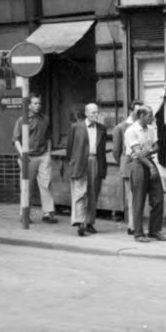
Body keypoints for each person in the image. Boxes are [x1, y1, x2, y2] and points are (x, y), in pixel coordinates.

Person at [13, 93, 56, 228]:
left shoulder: (45, 119)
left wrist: (48, 153)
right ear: (29, 105)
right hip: (29, 157)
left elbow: (48, 137)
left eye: (39, 103)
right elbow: (15, 140)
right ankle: (25, 214)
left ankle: (48, 213)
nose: (38, 106)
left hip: (43, 155)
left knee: (46, 183)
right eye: (35, 103)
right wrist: (23, 154)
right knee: (27, 186)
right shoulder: (22, 120)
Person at [66, 102, 109, 238]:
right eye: (92, 112)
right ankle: (80, 223)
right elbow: (69, 148)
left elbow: (102, 149)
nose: (95, 115)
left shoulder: (102, 128)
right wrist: (72, 164)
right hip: (80, 162)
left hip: (96, 161)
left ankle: (89, 222)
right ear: (86, 113)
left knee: (93, 193)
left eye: (97, 112)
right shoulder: (76, 127)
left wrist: (103, 166)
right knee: (80, 192)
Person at [124, 105, 166, 242]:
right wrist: (151, 166)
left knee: (158, 198)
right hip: (137, 165)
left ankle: (154, 230)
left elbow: (157, 146)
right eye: (149, 115)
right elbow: (137, 153)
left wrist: (149, 152)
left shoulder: (151, 129)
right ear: (141, 116)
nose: (152, 118)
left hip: (149, 161)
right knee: (139, 200)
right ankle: (138, 233)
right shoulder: (131, 131)